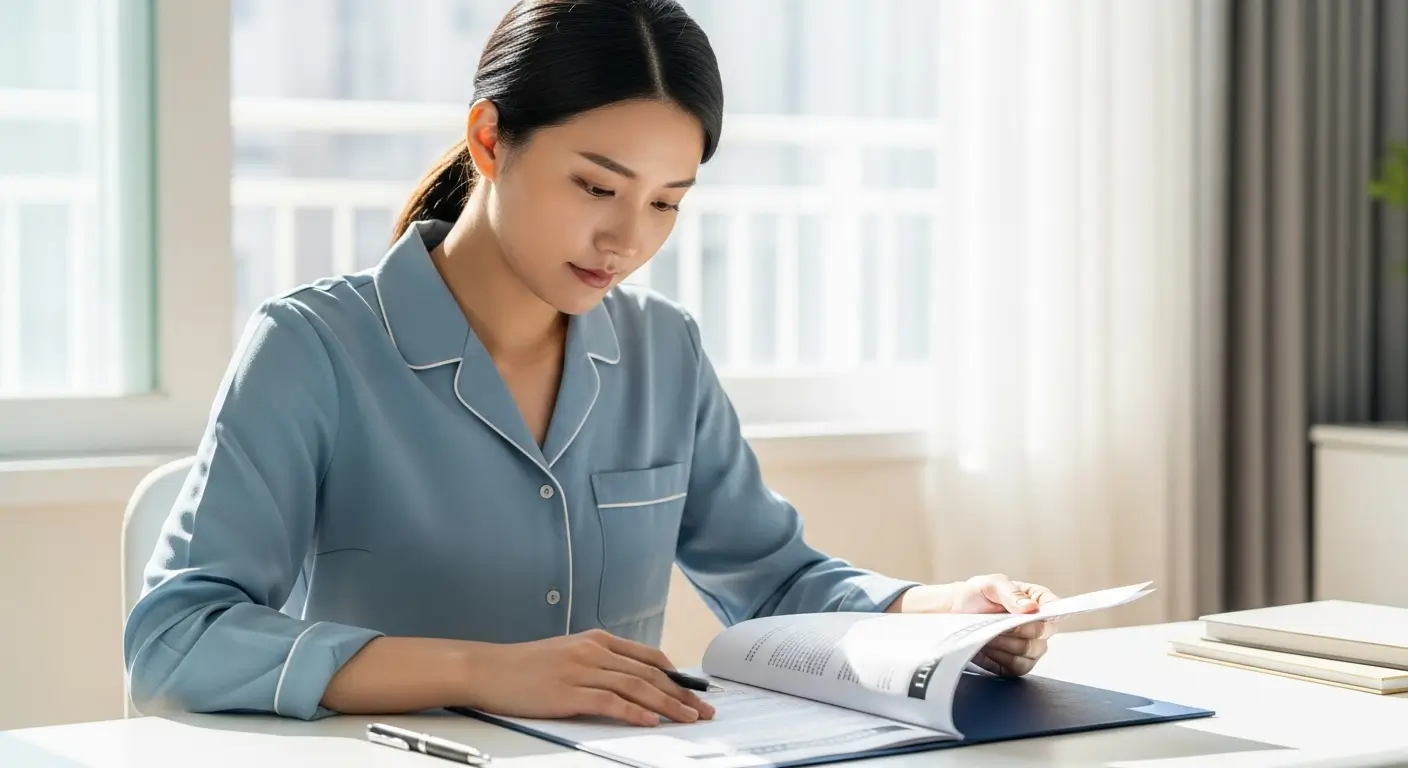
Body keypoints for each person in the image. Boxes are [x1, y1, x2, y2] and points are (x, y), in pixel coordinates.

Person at [123, 0, 1059, 727]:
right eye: (596, 186)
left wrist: (938, 611)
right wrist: (490, 671)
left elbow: (773, 585)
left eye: (665, 204)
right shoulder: (313, 348)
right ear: (490, 140)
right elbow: (179, 639)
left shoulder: (665, 352)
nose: (625, 238)